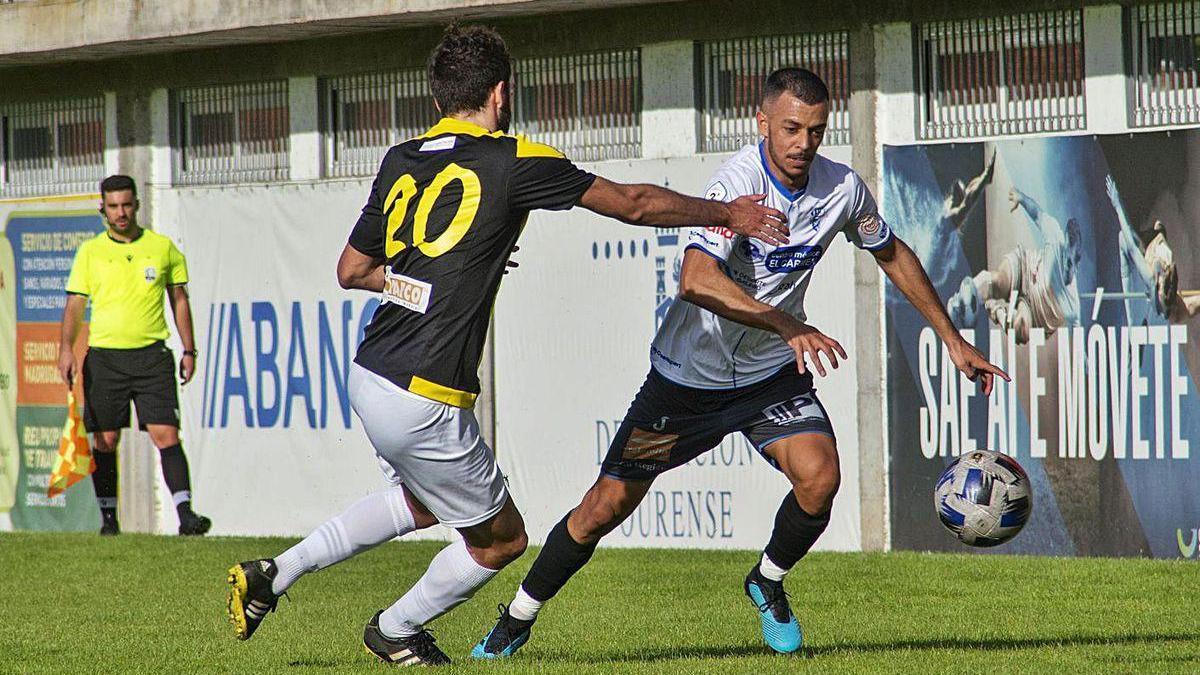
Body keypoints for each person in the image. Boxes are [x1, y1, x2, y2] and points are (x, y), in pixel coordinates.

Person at [224, 23, 788, 667]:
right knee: (500, 541)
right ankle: (396, 629)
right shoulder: (512, 158)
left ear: (439, 100)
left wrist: (441, 276)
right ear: (501, 92)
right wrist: (728, 214)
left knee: (418, 502)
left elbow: (352, 271)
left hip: (370, 373)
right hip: (423, 394)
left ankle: (275, 573)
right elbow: (631, 203)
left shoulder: (401, 158)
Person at [472, 68, 1008, 659]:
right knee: (605, 506)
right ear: (762, 123)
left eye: (816, 130)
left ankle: (767, 582)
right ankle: (518, 617)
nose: (804, 143)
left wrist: (951, 337)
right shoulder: (737, 186)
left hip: (768, 381)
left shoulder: (842, 189)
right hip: (685, 388)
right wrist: (788, 324)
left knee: (820, 477)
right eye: (790, 128)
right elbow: (695, 281)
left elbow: (890, 250)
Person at [58, 174, 210, 536]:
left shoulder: (162, 247)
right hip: (106, 358)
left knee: (166, 434)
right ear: (103, 210)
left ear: (137, 205)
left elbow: (179, 300)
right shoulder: (90, 252)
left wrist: (189, 349)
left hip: (152, 357)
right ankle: (109, 520)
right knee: (106, 439)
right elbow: (75, 305)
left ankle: (186, 515)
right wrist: (66, 348)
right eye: (113, 206)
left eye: (127, 204)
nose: (121, 212)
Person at [946, 185, 1083, 344]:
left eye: (1069, 261)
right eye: (1064, 252)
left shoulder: (1072, 303)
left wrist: (1084, 359)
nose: (1064, 261)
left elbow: (1078, 332)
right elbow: (1037, 213)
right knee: (997, 282)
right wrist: (1021, 198)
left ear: (1076, 264)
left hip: (1034, 313)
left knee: (1019, 331)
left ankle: (994, 310)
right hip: (1025, 270)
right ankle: (959, 301)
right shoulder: (1055, 235)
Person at [1104, 175, 1200, 323]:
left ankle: (1132, 322)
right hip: (1152, 244)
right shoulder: (1154, 279)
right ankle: (1133, 319)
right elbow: (1132, 246)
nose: (1161, 313)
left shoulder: (1156, 282)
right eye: (1161, 308)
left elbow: (1132, 247)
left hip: (1153, 245)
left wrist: (1117, 205)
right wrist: (1117, 205)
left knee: (1125, 236)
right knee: (1129, 235)